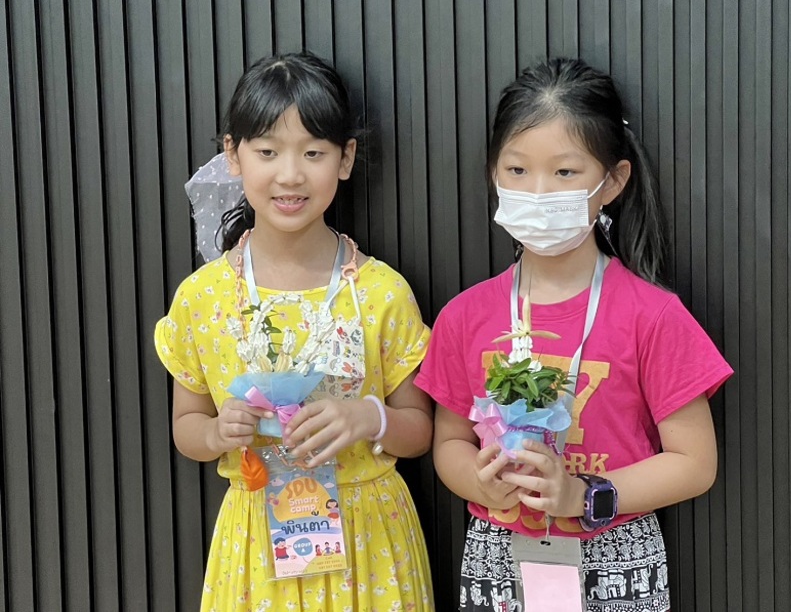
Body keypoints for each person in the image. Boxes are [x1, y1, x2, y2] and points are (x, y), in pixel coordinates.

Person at [414, 57, 733, 611]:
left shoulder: (653, 315)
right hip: (497, 553)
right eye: (517, 170)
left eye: (564, 173)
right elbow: (449, 443)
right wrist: (480, 482)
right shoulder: (464, 316)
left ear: (614, 181)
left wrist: (583, 496)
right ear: (493, 173)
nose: (538, 193)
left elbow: (694, 463)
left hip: (616, 551)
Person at [155, 52, 434, 611]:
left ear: (345, 158)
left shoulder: (381, 292)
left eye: (313, 153)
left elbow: (420, 430)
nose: (289, 175)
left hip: (368, 542)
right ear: (232, 154)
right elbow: (187, 427)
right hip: (257, 542)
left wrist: (368, 418)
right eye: (267, 151)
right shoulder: (203, 298)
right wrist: (218, 433)